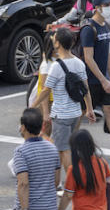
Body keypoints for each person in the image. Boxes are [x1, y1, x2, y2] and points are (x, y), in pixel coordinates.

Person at [34, 27, 95, 171]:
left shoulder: (56, 66)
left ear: (58, 44)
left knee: (63, 150)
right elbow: (85, 90)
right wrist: (89, 109)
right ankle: (70, 181)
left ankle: (71, 183)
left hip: (61, 115)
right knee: (71, 147)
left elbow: (46, 90)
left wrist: (33, 105)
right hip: (75, 113)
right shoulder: (79, 63)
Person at [80, 0, 110, 155]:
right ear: (97, 8)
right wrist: (103, 80)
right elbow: (88, 58)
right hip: (88, 80)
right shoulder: (88, 29)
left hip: (102, 79)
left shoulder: (106, 26)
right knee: (80, 114)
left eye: (109, 5)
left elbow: (106, 55)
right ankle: (68, 145)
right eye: (106, 6)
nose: (109, 8)